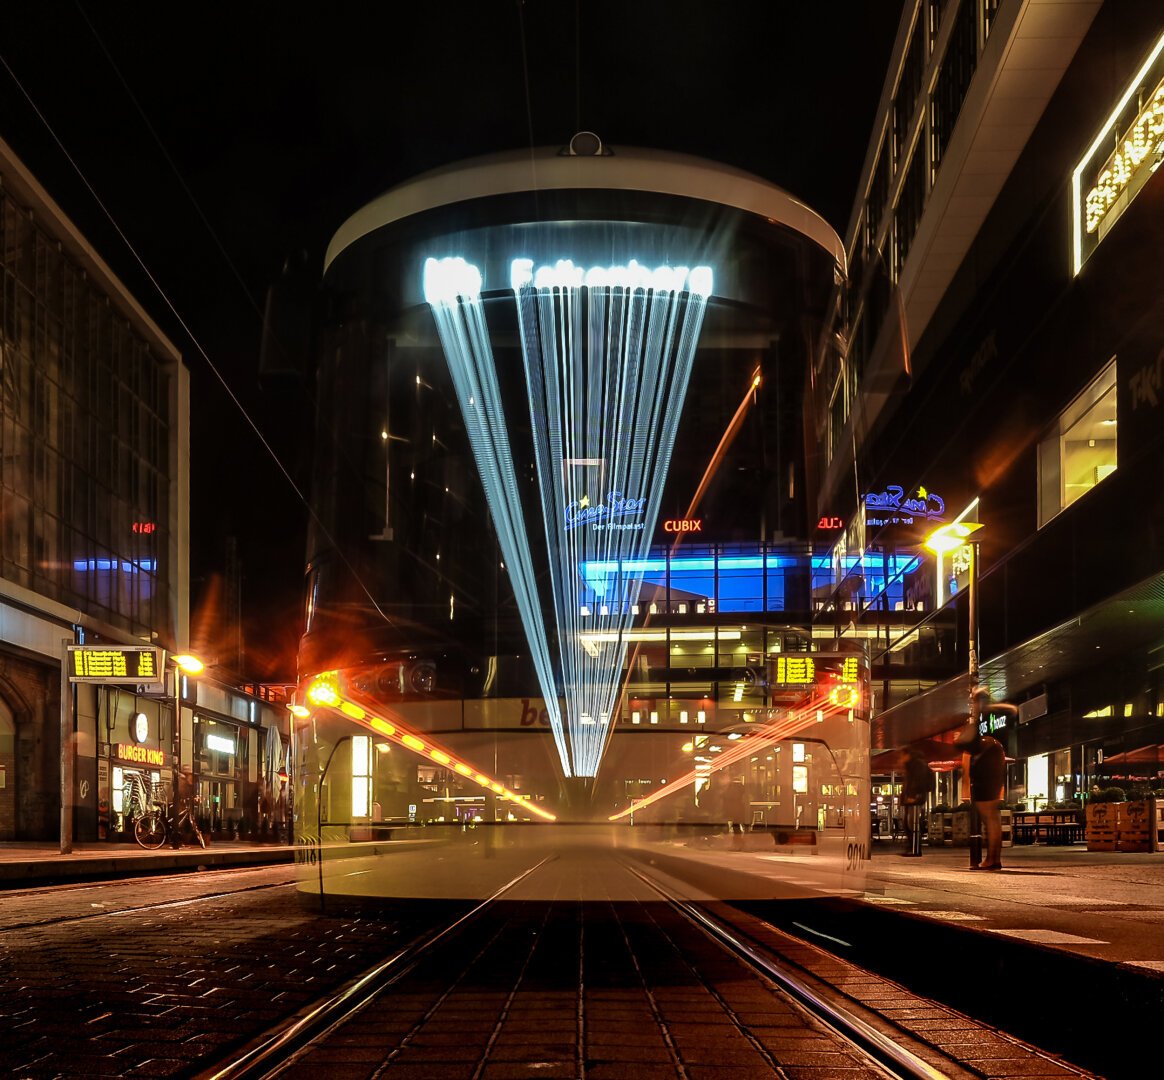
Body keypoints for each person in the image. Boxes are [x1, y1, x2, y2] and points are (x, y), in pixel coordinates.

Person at [967, 729, 1006, 870]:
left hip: (984, 786)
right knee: (993, 821)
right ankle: (994, 858)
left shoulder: (983, 746)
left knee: (990, 821)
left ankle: (991, 859)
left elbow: (977, 770)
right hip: (993, 784)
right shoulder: (993, 745)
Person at [901, 744, 930, 857]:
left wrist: (914, 795)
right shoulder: (911, 765)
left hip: (915, 798)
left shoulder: (917, 765)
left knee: (913, 824)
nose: (900, 759)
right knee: (908, 823)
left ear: (907, 755)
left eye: (902, 755)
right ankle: (912, 848)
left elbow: (918, 781)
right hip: (911, 798)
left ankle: (915, 849)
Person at [721, 776, 749, 842]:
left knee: (735, 824)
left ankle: (737, 838)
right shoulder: (742, 788)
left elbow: (725, 797)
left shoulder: (730, 788)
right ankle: (743, 836)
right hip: (740, 808)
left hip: (733, 809)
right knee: (742, 823)